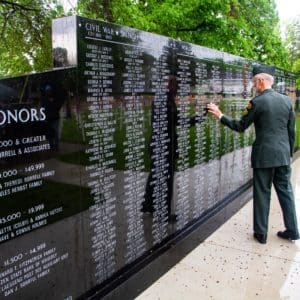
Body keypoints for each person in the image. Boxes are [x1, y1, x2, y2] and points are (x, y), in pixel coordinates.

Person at [207, 70, 299, 244]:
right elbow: (291, 131)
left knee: (262, 192)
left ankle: (261, 233)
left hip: (264, 156)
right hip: (282, 155)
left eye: (254, 82)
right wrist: (288, 153)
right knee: (286, 191)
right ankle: (293, 230)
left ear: (262, 81)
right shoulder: (287, 101)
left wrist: (220, 115)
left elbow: (241, 126)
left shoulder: (257, 102)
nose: (253, 86)